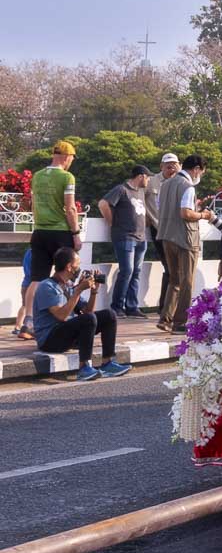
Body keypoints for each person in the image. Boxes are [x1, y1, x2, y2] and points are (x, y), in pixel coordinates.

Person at [33, 247, 130, 381]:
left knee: (109, 315)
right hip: (49, 340)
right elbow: (61, 316)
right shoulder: (47, 286)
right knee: (88, 319)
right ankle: (83, 368)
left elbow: (88, 312)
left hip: (67, 335)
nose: (79, 269)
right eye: (77, 265)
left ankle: (107, 363)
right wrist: (78, 291)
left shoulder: (69, 285)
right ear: (69, 267)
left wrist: (93, 292)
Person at [157, 154, 215, 333]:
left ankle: (165, 319)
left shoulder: (165, 185)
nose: (200, 175)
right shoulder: (187, 186)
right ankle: (180, 322)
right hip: (185, 238)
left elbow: (160, 208)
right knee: (187, 281)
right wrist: (204, 215)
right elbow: (186, 213)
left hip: (166, 236)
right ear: (196, 169)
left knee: (174, 280)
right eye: (201, 172)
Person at [28, 140, 82, 288]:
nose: (71, 161)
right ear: (67, 157)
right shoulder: (67, 177)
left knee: (37, 279)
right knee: (66, 276)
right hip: (60, 233)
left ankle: (30, 305)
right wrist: (76, 234)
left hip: (39, 232)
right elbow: (70, 208)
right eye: (72, 158)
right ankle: (63, 304)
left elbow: (34, 205)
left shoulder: (37, 176)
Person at [99, 165, 152, 317]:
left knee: (136, 272)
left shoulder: (141, 192)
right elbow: (103, 204)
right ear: (141, 176)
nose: (148, 180)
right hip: (125, 236)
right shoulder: (121, 189)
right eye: (147, 177)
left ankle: (132, 307)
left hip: (141, 238)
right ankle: (117, 306)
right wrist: (111, 222)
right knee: (127, 270)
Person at [146, 153, 181, 313]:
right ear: (161, 166)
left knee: (175, 269)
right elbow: (139, 197)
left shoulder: (182, 182)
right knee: (170, 268)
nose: (171, 168)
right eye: (168, 165)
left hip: (176, 231)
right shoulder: (151, 181)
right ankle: (165, 308)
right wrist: (144, 216)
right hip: (159, 229)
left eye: (174, 165)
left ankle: (169, 308)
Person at [11, 248, 36, 340]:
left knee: (25, 305)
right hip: (31, 283)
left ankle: (18, 326)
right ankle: (23, 327)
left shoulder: (28, 252)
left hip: (25, 283)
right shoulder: (36, 253)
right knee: (29, 306)